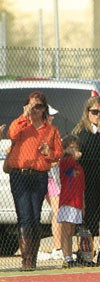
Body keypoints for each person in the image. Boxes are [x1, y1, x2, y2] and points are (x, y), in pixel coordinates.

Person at [7, 91, 64, 271]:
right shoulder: (21, 124)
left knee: (35, 216)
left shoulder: (51, 130)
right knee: (24, 215)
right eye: (32, 106)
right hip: (20, 175)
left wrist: (48, 152)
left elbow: (58, 154)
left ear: (44, 109)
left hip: (39, 176)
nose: (35, 110)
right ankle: (27, 260)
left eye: (38, 106)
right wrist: (24, 115)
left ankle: (33, 258)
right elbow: (12, 134)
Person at [72, 96, 100, 264]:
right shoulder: (84, 132)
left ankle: (88, 253)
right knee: (85, 219)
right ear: (87, 113)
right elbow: (90, 152)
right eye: (95, 112)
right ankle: (84, 253)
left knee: (93, 218)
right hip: (84, 182)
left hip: (97, 182)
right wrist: (99, 133)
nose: (98, 116)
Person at [38, 106, 63, 261]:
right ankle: (34, 249)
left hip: (52, 178)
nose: (52, 118)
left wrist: (53, 159)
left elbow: (57, 154)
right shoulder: (35, 132)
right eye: (49, 116)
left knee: (57, 210)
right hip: (39, 176)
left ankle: (57, 247)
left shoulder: (53, 131)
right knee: (34, 212)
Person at [57, 134, 85, 268]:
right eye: (71, 147)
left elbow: (82, 186)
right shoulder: (66, 161)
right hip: (68, 201)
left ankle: (70, 256)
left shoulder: (79, 167)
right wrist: (71, 154)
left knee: (72, 231)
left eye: (76, 147)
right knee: (66, 230)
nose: (75, 150)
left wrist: (83, 204)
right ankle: (66, 257)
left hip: (77, 202)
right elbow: (67, 162)